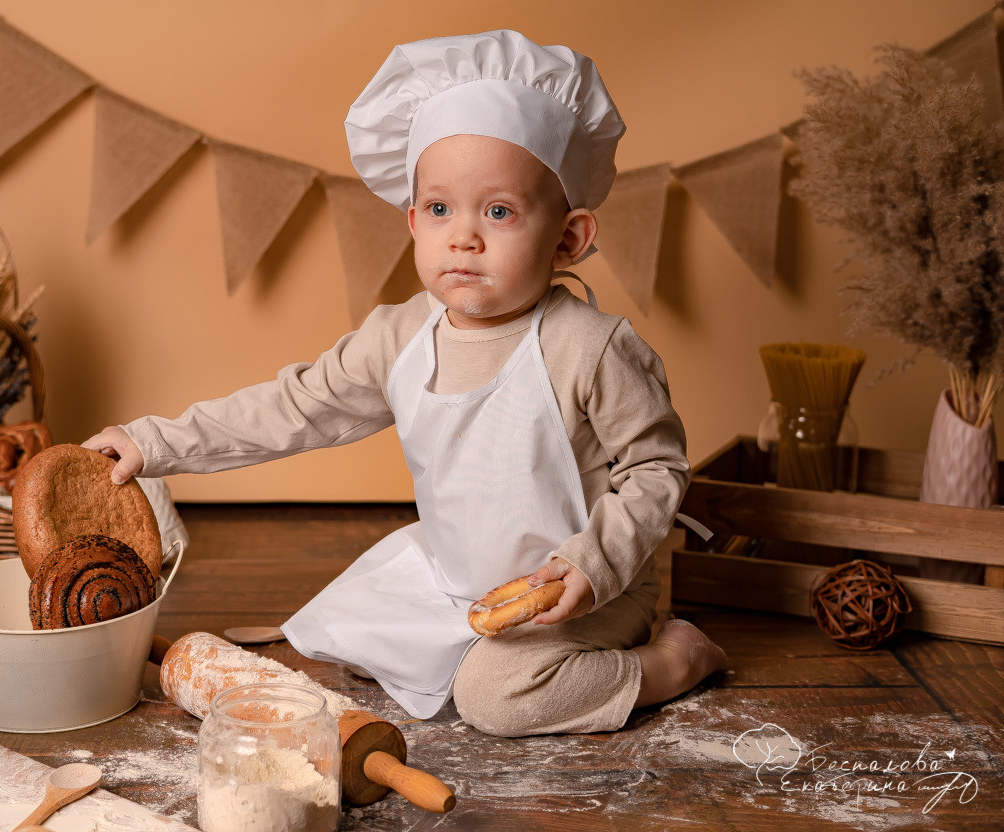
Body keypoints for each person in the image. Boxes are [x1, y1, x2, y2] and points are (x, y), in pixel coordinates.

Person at [85, 30, 726, 736]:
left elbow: (656, 469)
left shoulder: (591, 347)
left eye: (501, 212)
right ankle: (454, 645)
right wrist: (154, 443)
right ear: (414, 221)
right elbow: (292, 407)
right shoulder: (400, 338)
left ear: (568, 238)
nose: (465, 238)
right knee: (339, 633)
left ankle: (672, 660)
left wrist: (592, 564)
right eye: (442, 210)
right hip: (457, 575)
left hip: (585, 589)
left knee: (495, 698)